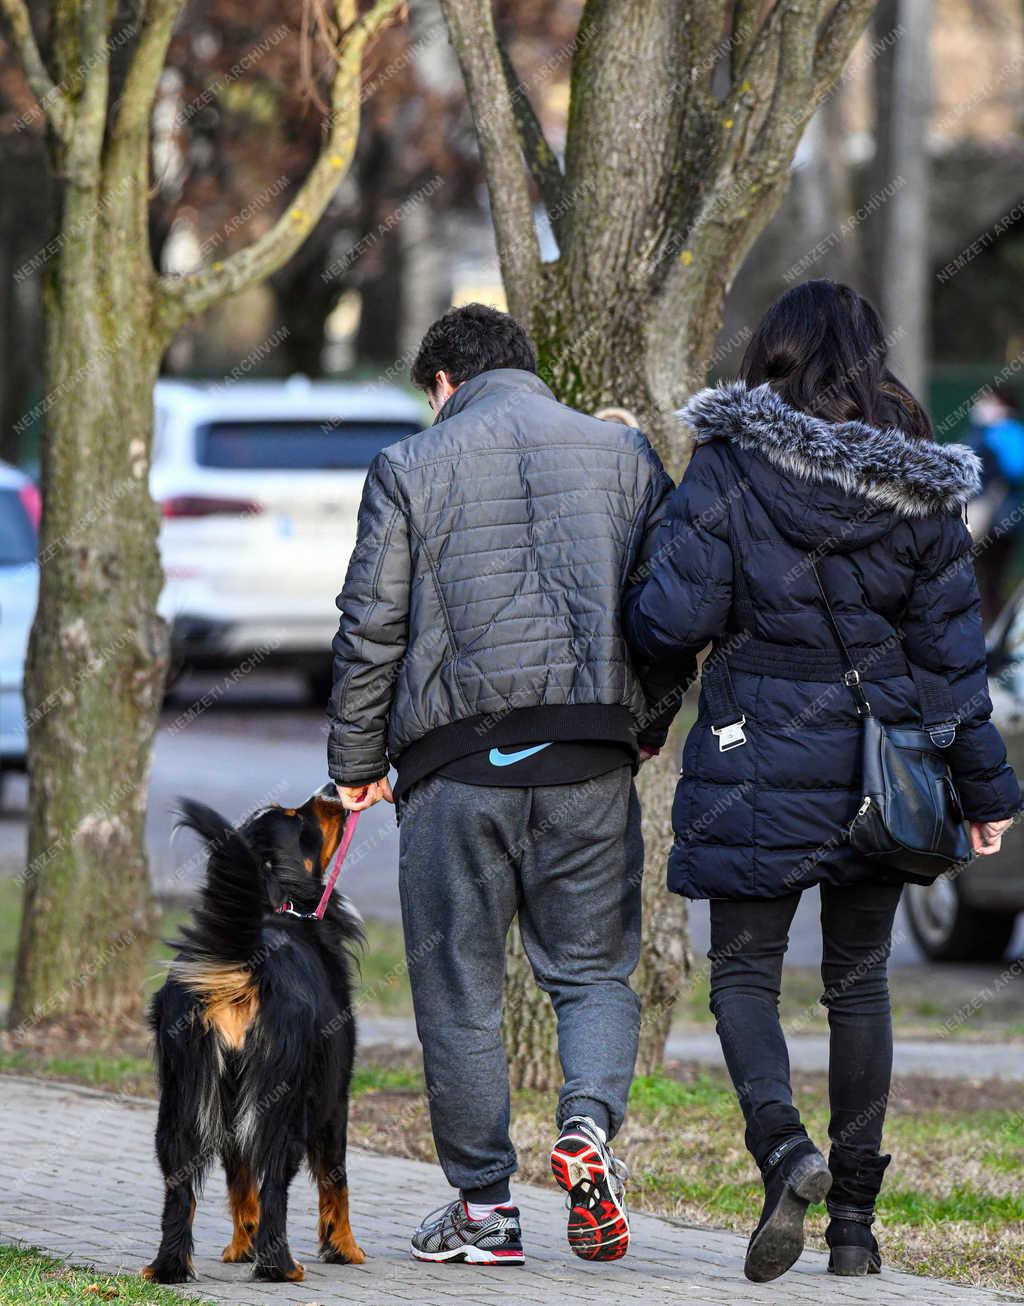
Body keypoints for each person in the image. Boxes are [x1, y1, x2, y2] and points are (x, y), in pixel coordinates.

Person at [624, 280, 1021, 1283]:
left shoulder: (727, 464)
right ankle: (853, 1226)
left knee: (745, 975)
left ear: (775, 352)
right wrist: (988, 792)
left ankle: (782, 1149)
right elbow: (951, 657)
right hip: (877, 759)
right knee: (858, 983)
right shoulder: (922, 486)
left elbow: (667, 621)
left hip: (751, 739)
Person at [327, 303, 676, 1265]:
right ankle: (588, 1129)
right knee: (595, 970)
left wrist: (355, 767)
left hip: (454, 770)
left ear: (443, 385)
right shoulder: (624, 459)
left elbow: (370, 630)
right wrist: (641, 730)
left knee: (460, 987)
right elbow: (671, 612)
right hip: (591, 760)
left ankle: (486, 1213)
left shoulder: (408, 467)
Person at [966, 384, 1024, 624]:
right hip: (991, 520)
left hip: (1000, 520)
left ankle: (994, 632)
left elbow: (1016, 468)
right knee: (984, 581)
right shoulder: (984, 431)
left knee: (991, 581)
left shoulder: (1004, 431)